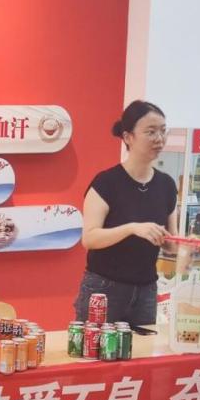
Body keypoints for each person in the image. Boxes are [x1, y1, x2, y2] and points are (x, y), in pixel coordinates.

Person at [74, 100, 179, 325]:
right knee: (95, 346)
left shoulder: (167, 185)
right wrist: (132, 228)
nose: (159, 138)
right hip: (103, 288)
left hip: (146, 290)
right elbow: (89, 238)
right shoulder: (106, 182)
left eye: (163, 131)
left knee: (143, 348)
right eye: (150, 132)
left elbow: (171, 244)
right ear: (128, 137)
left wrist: (186, 244)